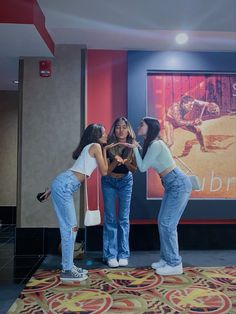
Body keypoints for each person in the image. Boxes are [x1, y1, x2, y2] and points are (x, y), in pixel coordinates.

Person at [41, 124, 117, 281]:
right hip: (64, 186)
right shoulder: (95, 146)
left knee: (70, 228)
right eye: (103, 133)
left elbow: (74, 171)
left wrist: (53, 188)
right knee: (71, 228)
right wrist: (110, 154)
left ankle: (68, 265)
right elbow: (104, 171)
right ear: (96, 135)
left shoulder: (91, 147)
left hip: (63, 184)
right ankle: (67, 270)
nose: (105, 136)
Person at [122, 117, 192, 276]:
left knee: (167, 224)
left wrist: (134, 148)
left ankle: (175, 263)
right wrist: (137, 147)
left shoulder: (156, 144)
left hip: (178, 184)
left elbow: (142, 167)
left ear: (150, 127)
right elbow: (146, 162)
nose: (139, 126)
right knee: (163, 222)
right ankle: (166, 259)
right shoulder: (153, 144)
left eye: (142, 124)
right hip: (172, 184)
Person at [102, 117, 137, 268]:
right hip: (109, 181)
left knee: (123, 218)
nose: (121, 130)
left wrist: (126, 161)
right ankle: (110, 254)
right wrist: (115, 160)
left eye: (124, 127)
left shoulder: (132, 145)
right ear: (114, 129)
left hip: (126, 182)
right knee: (110, 218)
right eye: (118, 127)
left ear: (128, 129)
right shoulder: (108, 145)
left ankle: (123, 254)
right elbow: (105, 172)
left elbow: (134, 169)